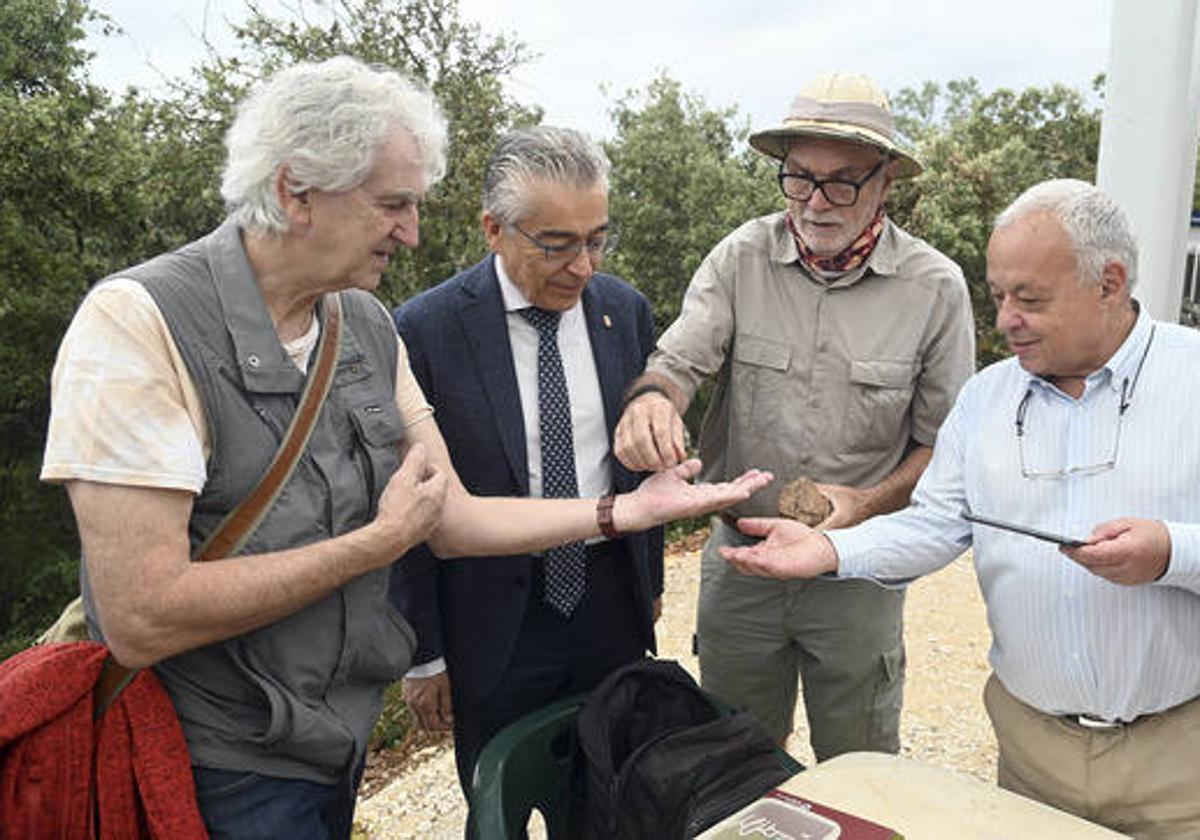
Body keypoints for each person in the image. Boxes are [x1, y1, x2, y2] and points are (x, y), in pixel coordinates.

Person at [39, 57, 771, 839]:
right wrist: (379, 547)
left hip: (335, 741)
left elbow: (450, 518)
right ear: (296, 191)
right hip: (215, 760)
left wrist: (626, 510)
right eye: (393, 204)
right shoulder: (133, 325)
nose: (413, 232)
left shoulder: (364, 324)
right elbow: (141, 616)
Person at [720, 179, 1200, 839]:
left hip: (1182, 760)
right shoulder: (986, 400)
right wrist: (830, 551)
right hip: (1034, 756)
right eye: (999, 296)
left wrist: (1173, 552)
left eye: (1029, 299)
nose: (1005, 321)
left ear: (1110, 282)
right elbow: (938, 525)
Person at [614, 72, 975, 759]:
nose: (815, 201)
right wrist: (652, 399)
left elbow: (943, 446)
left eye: (843, 181)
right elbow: (678, 362)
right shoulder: (740, 258)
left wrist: (867, 503)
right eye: (800, 177)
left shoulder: (935, 289)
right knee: (731, 760)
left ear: (887, 180)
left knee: (861, 764)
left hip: (858, 567)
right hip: (741, 561)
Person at [389, 126, 665, 824]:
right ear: (494, 229)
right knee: (502, 804)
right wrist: (423, 653)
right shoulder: (424, 330)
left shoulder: (623, 310)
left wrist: (648, 584)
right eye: (557, 244)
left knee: (613, 798)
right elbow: (409, 501)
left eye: (597, 239)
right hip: (489, 616)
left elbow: (636, 469)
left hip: (608, 604)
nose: (582, 266)